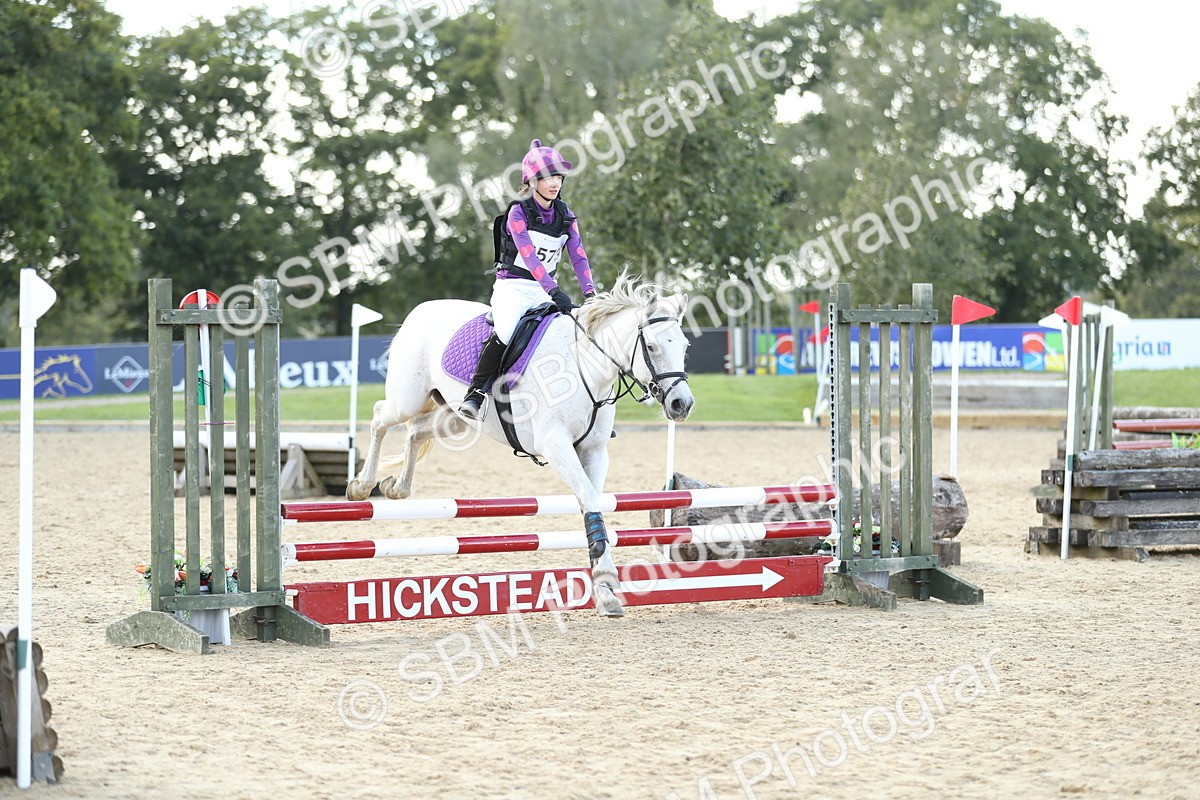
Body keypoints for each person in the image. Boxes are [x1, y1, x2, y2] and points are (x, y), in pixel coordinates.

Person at [459, 139, 596, 421]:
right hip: (514, 288)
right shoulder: (518, 212)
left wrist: (591, 293)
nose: (554, 183)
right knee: (507, 331)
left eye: (558, 176)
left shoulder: (566, 214)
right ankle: (476, 393)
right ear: (532, 180)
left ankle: (581, 409)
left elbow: (578, 255)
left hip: (544, 290)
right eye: (547, 177)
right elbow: (530, 256)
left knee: (570, 333)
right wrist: (554, 290)